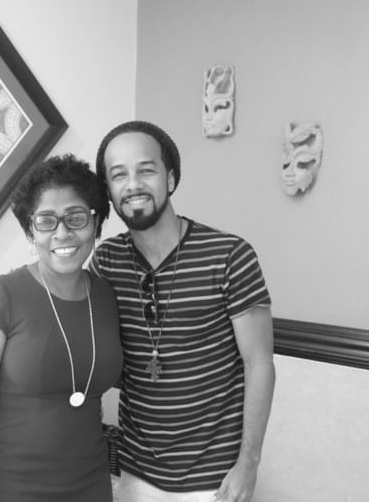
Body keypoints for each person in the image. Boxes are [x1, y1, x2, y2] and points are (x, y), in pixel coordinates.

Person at [89, 121, 275, 502]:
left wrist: (248, 464)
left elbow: (259, 364)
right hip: (135, 471)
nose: (133, 184)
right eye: (118, 175)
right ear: (108, 190)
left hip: (214, 480)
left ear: (170, 178)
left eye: (146, 169)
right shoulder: (106, 262)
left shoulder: (229, 256)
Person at [0, 154, 123, 502]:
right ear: (31, 229)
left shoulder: (106, 295)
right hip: (13, 485)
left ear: (96, 224)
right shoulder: (0, 296)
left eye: (76, 217)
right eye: (47, 221)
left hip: (91, 481)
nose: (62, 232)